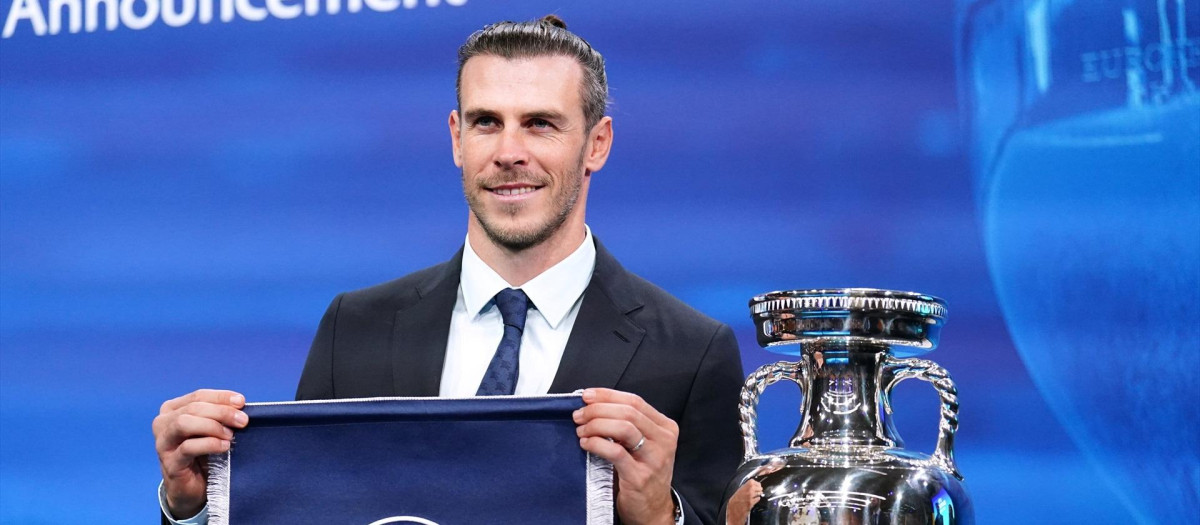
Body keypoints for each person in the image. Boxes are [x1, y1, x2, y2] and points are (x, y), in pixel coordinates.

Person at [152, 15, 744, 525]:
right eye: (487, 121)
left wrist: (663, 518)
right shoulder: (354, 326)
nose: (509, 151)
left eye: (541, 123)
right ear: (457, 138)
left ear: (597, 144)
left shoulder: (692, 352)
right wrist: (192, 507)